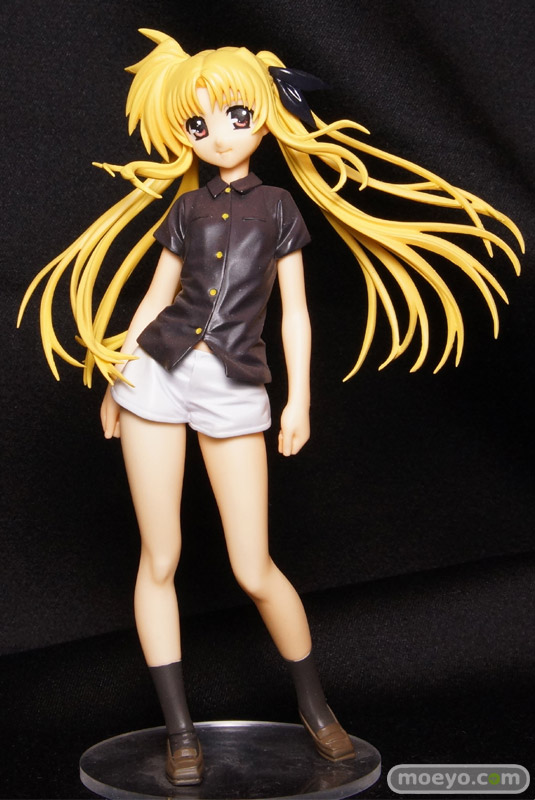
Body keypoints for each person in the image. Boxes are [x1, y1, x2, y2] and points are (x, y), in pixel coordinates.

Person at [18, 30, 523, 786]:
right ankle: (180, 732)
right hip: (153, 376)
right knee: (159, 558)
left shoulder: (280, 207)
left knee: (252, 565)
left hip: (233, 386)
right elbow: (155, 296)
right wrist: (113, 378)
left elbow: (295, 315)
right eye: (197, 124)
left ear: (263, 116)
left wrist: (299, 400)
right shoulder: (184, 209)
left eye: (234, 115)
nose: (218, 135)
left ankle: (316, 708)